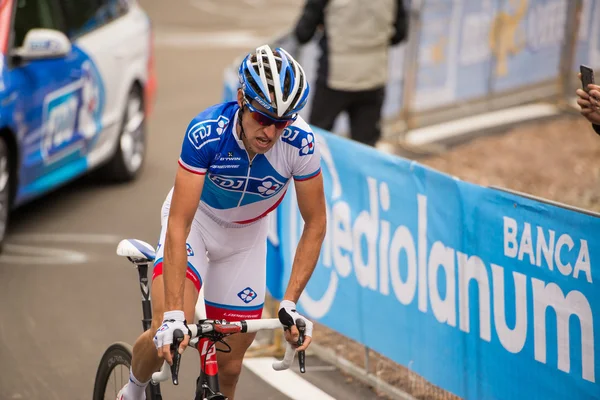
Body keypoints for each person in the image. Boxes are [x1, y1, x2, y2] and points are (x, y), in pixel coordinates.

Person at [117, 44, 326, 400]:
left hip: (246, 240)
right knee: (166, 329)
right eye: (263, 118)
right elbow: (180, 223)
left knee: (230, 369)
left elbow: (316, 223)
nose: (271, 133)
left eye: (282, 122)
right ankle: (133, 390)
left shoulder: (301, 144)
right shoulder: (207, 132)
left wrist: (290, 302)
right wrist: (172, 316)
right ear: (242, 98)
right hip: (196, 226)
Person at [293, 0, 408, 147]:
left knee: (315, 144)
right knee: (365, 149)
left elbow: (303, 33)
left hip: (334, 78)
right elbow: (400, 33)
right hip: (373, 77)